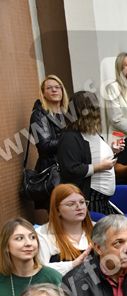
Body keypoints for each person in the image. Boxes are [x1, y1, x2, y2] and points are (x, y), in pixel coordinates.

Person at [57, 91, 120, 215]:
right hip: (89, 199)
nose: (97, 113)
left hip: (103, 200)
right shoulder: (69, 137)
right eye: (93, 109)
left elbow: (92, 155)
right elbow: (70, 169)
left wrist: (112, 150)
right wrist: (100, 167)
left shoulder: (91, 132)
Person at [0, 218, 62, 296]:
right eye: (19, 238)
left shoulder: (52, 277)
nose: (29, 243)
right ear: (6, 246)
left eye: (32, 237)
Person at [28, 75, 68, 213]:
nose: (54, 90)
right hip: (52, 171)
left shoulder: (66, 113)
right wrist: (70, 139)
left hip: (69, 167)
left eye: (57, 87)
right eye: (49, 88)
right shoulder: (38, 115)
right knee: (58, 214)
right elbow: (44, 146)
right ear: (43, 93)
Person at [36, 184, 93, 275]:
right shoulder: (42, 235)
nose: (79, 207)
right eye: (71, 204)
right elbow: (40, 271)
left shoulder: (98, 228)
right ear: (57, 210)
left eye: (82, 202)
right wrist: (72, 265)